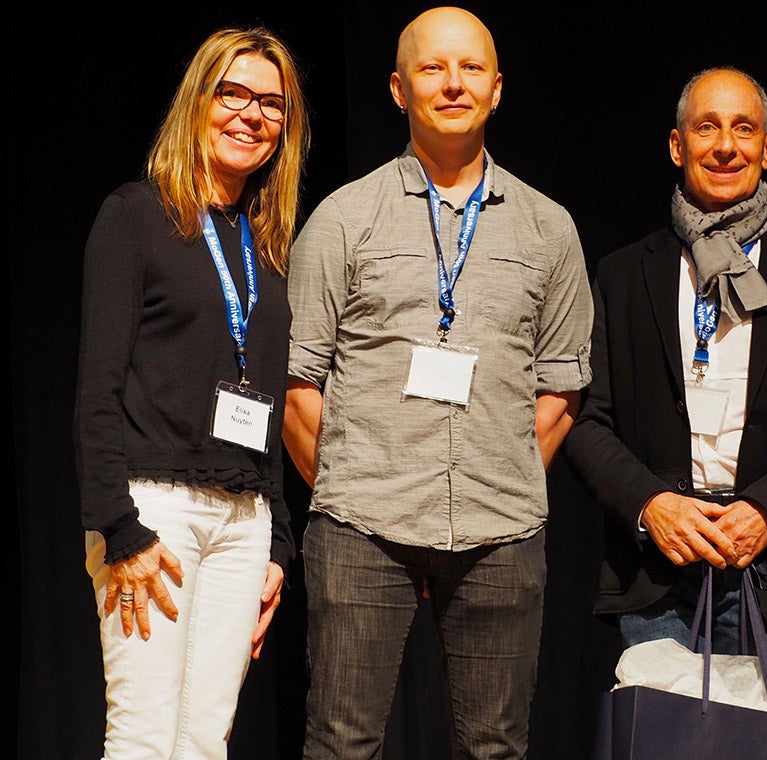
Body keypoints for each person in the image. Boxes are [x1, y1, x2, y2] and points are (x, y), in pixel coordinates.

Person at [282, 7, 593, 758]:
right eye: (431, 68)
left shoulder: (549, 229)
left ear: (496, 88)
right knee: (340, 745)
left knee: (496, 747)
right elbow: (298, 388)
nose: (452, 84)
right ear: (398, 89)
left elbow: (559, 395)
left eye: (471, 69)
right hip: (361, 529)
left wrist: (489, 484)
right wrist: (369, 492)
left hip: (502, 533)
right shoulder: (342, 218)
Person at [73, 26, 310, 759]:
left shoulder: (265, 246)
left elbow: (264, 408)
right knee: (144, 740)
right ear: (197, 102)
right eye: (232, 93)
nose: (251, 115)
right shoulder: (136, 216)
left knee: (206, 742)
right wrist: (120, 528)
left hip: (242, 525)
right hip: (151, 514)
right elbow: (96, 391)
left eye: (271, 104)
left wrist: (276, 542)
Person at [561, 66, 767, 663]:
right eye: (706, 127)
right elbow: (586, 421)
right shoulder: (622, 274)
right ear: (676, 145)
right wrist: (650, 505)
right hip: (658, 571)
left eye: (743, 129)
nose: (724, 146)